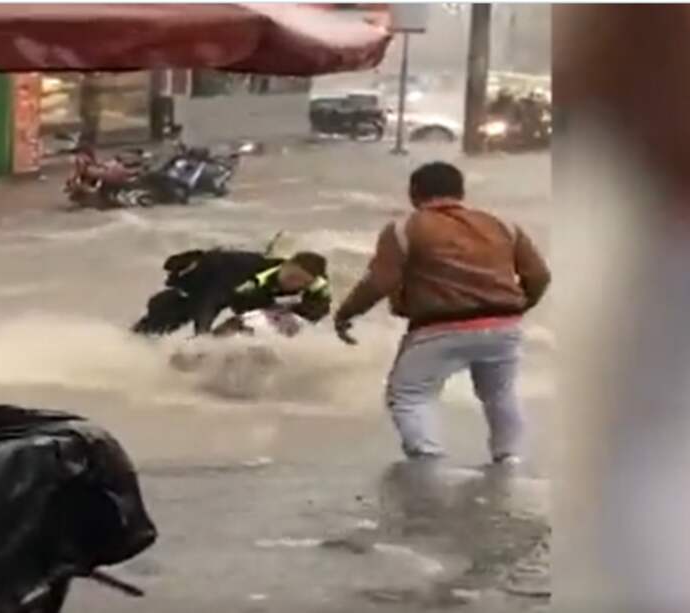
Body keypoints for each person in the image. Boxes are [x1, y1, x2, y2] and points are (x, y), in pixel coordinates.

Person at [334, 162, 551, 465]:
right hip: (504, 327)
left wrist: (346, 314)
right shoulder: (503, 225)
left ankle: (428, 461)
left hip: (438, 328)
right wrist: (519, 307)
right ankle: (509, 459)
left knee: (409, 395)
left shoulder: (405, 228)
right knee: (500, 395)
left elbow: (380, 281)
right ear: (461, 192)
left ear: (414, 193)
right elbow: (539, 275)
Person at [133, 248, 331, 336]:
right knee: (164, 320)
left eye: (301, 283)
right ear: (285, 265)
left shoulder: (318, 284)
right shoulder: (252, 271)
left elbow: (318, 310)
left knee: (262, 321)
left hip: (249, 295)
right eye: (291, 277)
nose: (293, 284)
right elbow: (210, 300)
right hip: (203, 279)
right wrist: (202, 336)